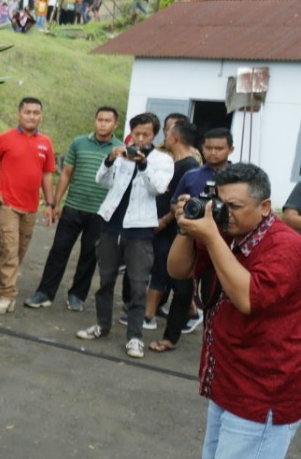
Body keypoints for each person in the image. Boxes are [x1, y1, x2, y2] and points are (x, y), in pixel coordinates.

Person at [156, 162, 301, 459]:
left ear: (266, 206)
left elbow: (247, 297)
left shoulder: (287, 246)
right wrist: (187, 228)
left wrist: (212, 236)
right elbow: (178, 271)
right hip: (229, 377)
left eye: (235, 206)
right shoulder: (225, 231)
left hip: (265, 388)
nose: (225, 212)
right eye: (220, 201)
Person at [74, 113, 173, 359]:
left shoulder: (162, 160)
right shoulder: (121, 154)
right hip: (111, 224)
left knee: (138, 285)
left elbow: (158, 188)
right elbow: (102, 181)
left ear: (154, 135)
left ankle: (135, 337)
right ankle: (102, 324)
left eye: (145, 135)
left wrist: (143, 164)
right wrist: (109, 160)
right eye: (136, 134)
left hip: (140, 228)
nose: (139, 139)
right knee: (105, 279)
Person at [25, 106, 122, 311]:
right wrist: (55, 203)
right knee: (58, 251)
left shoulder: (120, 149)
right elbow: (66, 174)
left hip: (100, 213)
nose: (103, 123)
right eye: (100, 119)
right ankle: (44, 292)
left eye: (107, 120)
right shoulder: (79, 143)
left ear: (116, 125)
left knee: (89, 255)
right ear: (95, 121)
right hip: (73, 207)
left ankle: (77, 295)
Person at [159, 128, 237, 345]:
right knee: (182, 290)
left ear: (230, 149)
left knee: (215, 295)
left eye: (219, 148)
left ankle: (215, 341)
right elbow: (175, 203)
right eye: (208, 148)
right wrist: (181, 208)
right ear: (201, 148)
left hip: (221, 243)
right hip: (189, 239)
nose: (213, 153)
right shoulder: (192, 175)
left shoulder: (239, 178)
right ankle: (169, 338)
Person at [0, 97, 56, 313]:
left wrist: (50, 203)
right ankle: (7, 295)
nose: (32, 116)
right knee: (9, 248)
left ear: (41, 115)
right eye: (28, 112)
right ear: (19, 114)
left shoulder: (46, 142)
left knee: (17, 252)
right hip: (6, 204)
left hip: (31, 206)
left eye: (36, 112)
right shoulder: (4, 138)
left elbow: (47, 174)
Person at [144, 116, 200, 347]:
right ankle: (151, 314)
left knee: (172, 275)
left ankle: (149, 317)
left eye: (167, 134)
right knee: (160, 270)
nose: (164, 138)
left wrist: (165, 220)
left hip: (174, 231)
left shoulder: (189, 167)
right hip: (163, 227)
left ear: (175, 137)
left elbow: (180, 202)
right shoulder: (175, 163)